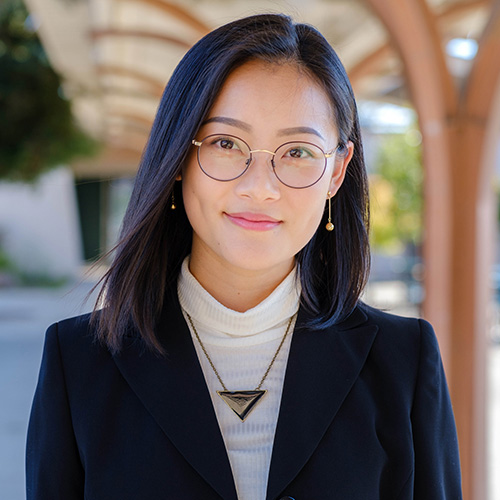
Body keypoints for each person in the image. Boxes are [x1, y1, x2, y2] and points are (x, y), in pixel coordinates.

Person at [26, 13, 462, 500]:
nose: (260, 188)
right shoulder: (81, 364)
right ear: (178, 157)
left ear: (337, 173)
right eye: (226, 143)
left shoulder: (401, 363)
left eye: (297, 151)